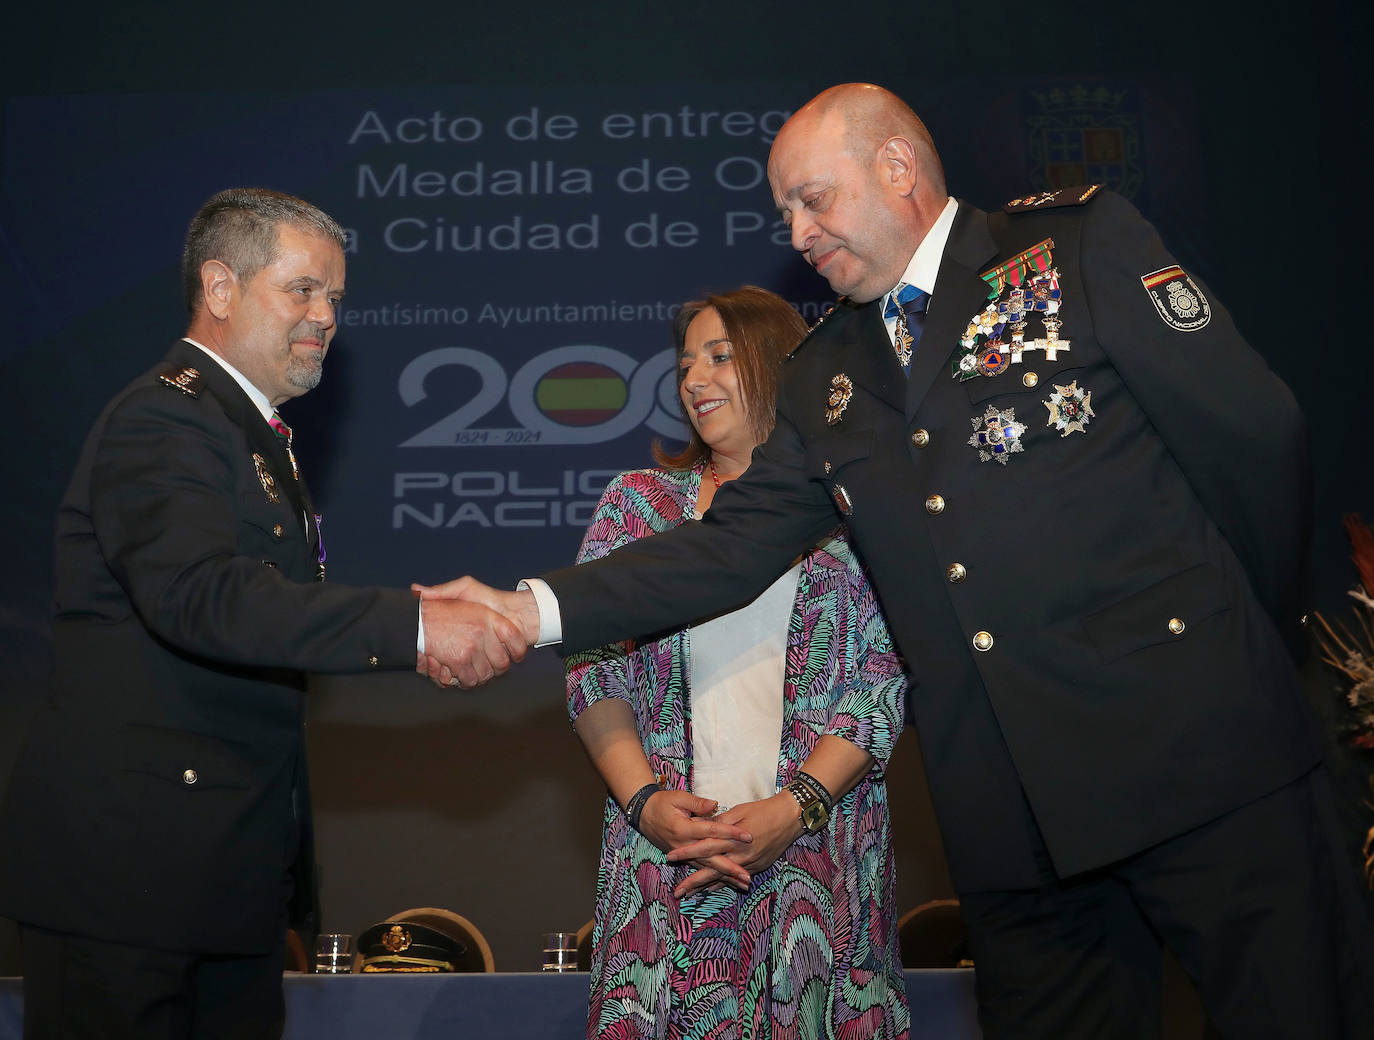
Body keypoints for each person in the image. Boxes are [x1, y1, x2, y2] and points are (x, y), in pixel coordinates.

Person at [422, 84, 1374, 1038]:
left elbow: (1252, 439)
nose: (796, 232)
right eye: (785, 211)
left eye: (811, 199)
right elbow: (725, 549)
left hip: (1202, 757)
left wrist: (1242, 647)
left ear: (897, 169)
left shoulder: (1072, 251)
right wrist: (528, 610)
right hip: (1015, 820)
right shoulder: (824, 372)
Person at [0, 188, 523, 1039]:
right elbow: (201, 598)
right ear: (220, 287)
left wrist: (420, 608)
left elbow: (271, 612)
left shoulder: (246, 432)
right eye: (304, 290)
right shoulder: (164, 418)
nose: (325, 317)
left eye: (337, 298)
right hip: (130, 883)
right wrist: (416, 628)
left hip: (216, 881)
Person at [566, 287, 909, 1039]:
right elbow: (592, 667)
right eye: (686, 363)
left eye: (720, 357)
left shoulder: (857, 507)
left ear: (782, 368)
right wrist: (645, 803)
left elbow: (882, 677)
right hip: (668, 870)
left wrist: (798, 808)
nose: (694, 380)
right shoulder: (641, 506)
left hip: (817, 864)